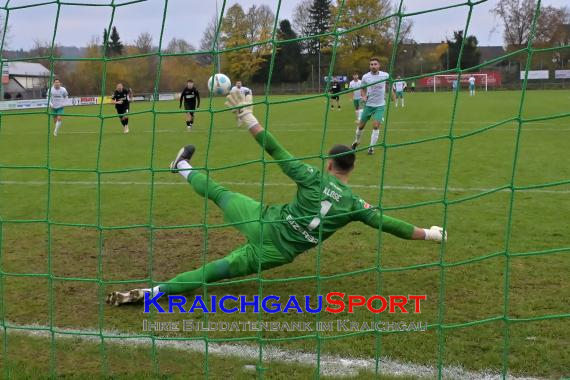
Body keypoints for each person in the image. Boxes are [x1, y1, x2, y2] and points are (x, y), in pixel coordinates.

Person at [106, 90, 447, 306]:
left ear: (329, 163)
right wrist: (430, 233)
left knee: (220, 193)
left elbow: (276, 150)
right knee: (216, 271)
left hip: (264, 219)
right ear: (352, 168)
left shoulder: (312, 177)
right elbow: (393, 226)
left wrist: (249, 117)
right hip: (277, 252)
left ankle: (180, 166)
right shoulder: (355, 205)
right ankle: (156, 292)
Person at [351, 57, 395, 155]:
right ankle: (356, 141)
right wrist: (363, 97)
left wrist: (392, 95)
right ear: (369, 66)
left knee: (375, 126)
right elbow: (362, 89)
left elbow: (390, 84)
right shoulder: (365, 77)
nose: (373, 66)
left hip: (380, 106)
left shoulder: (385, 75)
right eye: (371, 64)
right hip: (369, 105)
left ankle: (371, 148)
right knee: (361, 126)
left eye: (375, 64)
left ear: (379, 65)